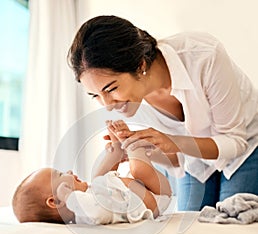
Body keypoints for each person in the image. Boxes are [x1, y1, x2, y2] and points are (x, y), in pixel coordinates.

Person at [67, 15, 258, 211]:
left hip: (245, 146)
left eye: (110, 89)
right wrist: (139, 149)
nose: (107, 105)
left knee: (231, 221)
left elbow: (235, 141)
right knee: (189, 228)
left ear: (140, 64)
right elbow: (177, 158)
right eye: (95, 95)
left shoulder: (203, 55)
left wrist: (172, 141)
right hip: (194, 159)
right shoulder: (126, 103)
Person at [12, 120, 172, 224]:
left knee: (98, 178)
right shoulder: (84, 213)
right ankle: (131, 143)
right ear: (55, 201)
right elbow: (98, 213)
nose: (68, 171)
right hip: (154, 199)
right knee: (138, 170)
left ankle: (116, 151)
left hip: (137, 195)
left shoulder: (87, 199)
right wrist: (70, 197)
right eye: (61, 174)